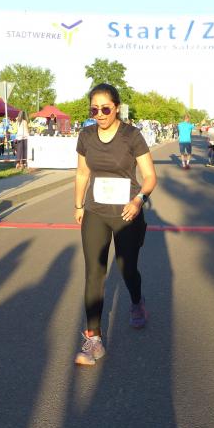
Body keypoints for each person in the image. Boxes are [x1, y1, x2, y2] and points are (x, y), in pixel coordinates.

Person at [72, 83, 157, 366]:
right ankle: (93, 339)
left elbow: (150, 177)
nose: (99, 114)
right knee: (94, 273)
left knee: (126, 267)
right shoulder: (86, 135)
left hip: (126, 213)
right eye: (94, 109)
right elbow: (82, 173)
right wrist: (78, 205)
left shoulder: (131, 135)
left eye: (105, 109)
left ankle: (137, 301)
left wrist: (138, 200)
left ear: (116, 107)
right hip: (95, 211)